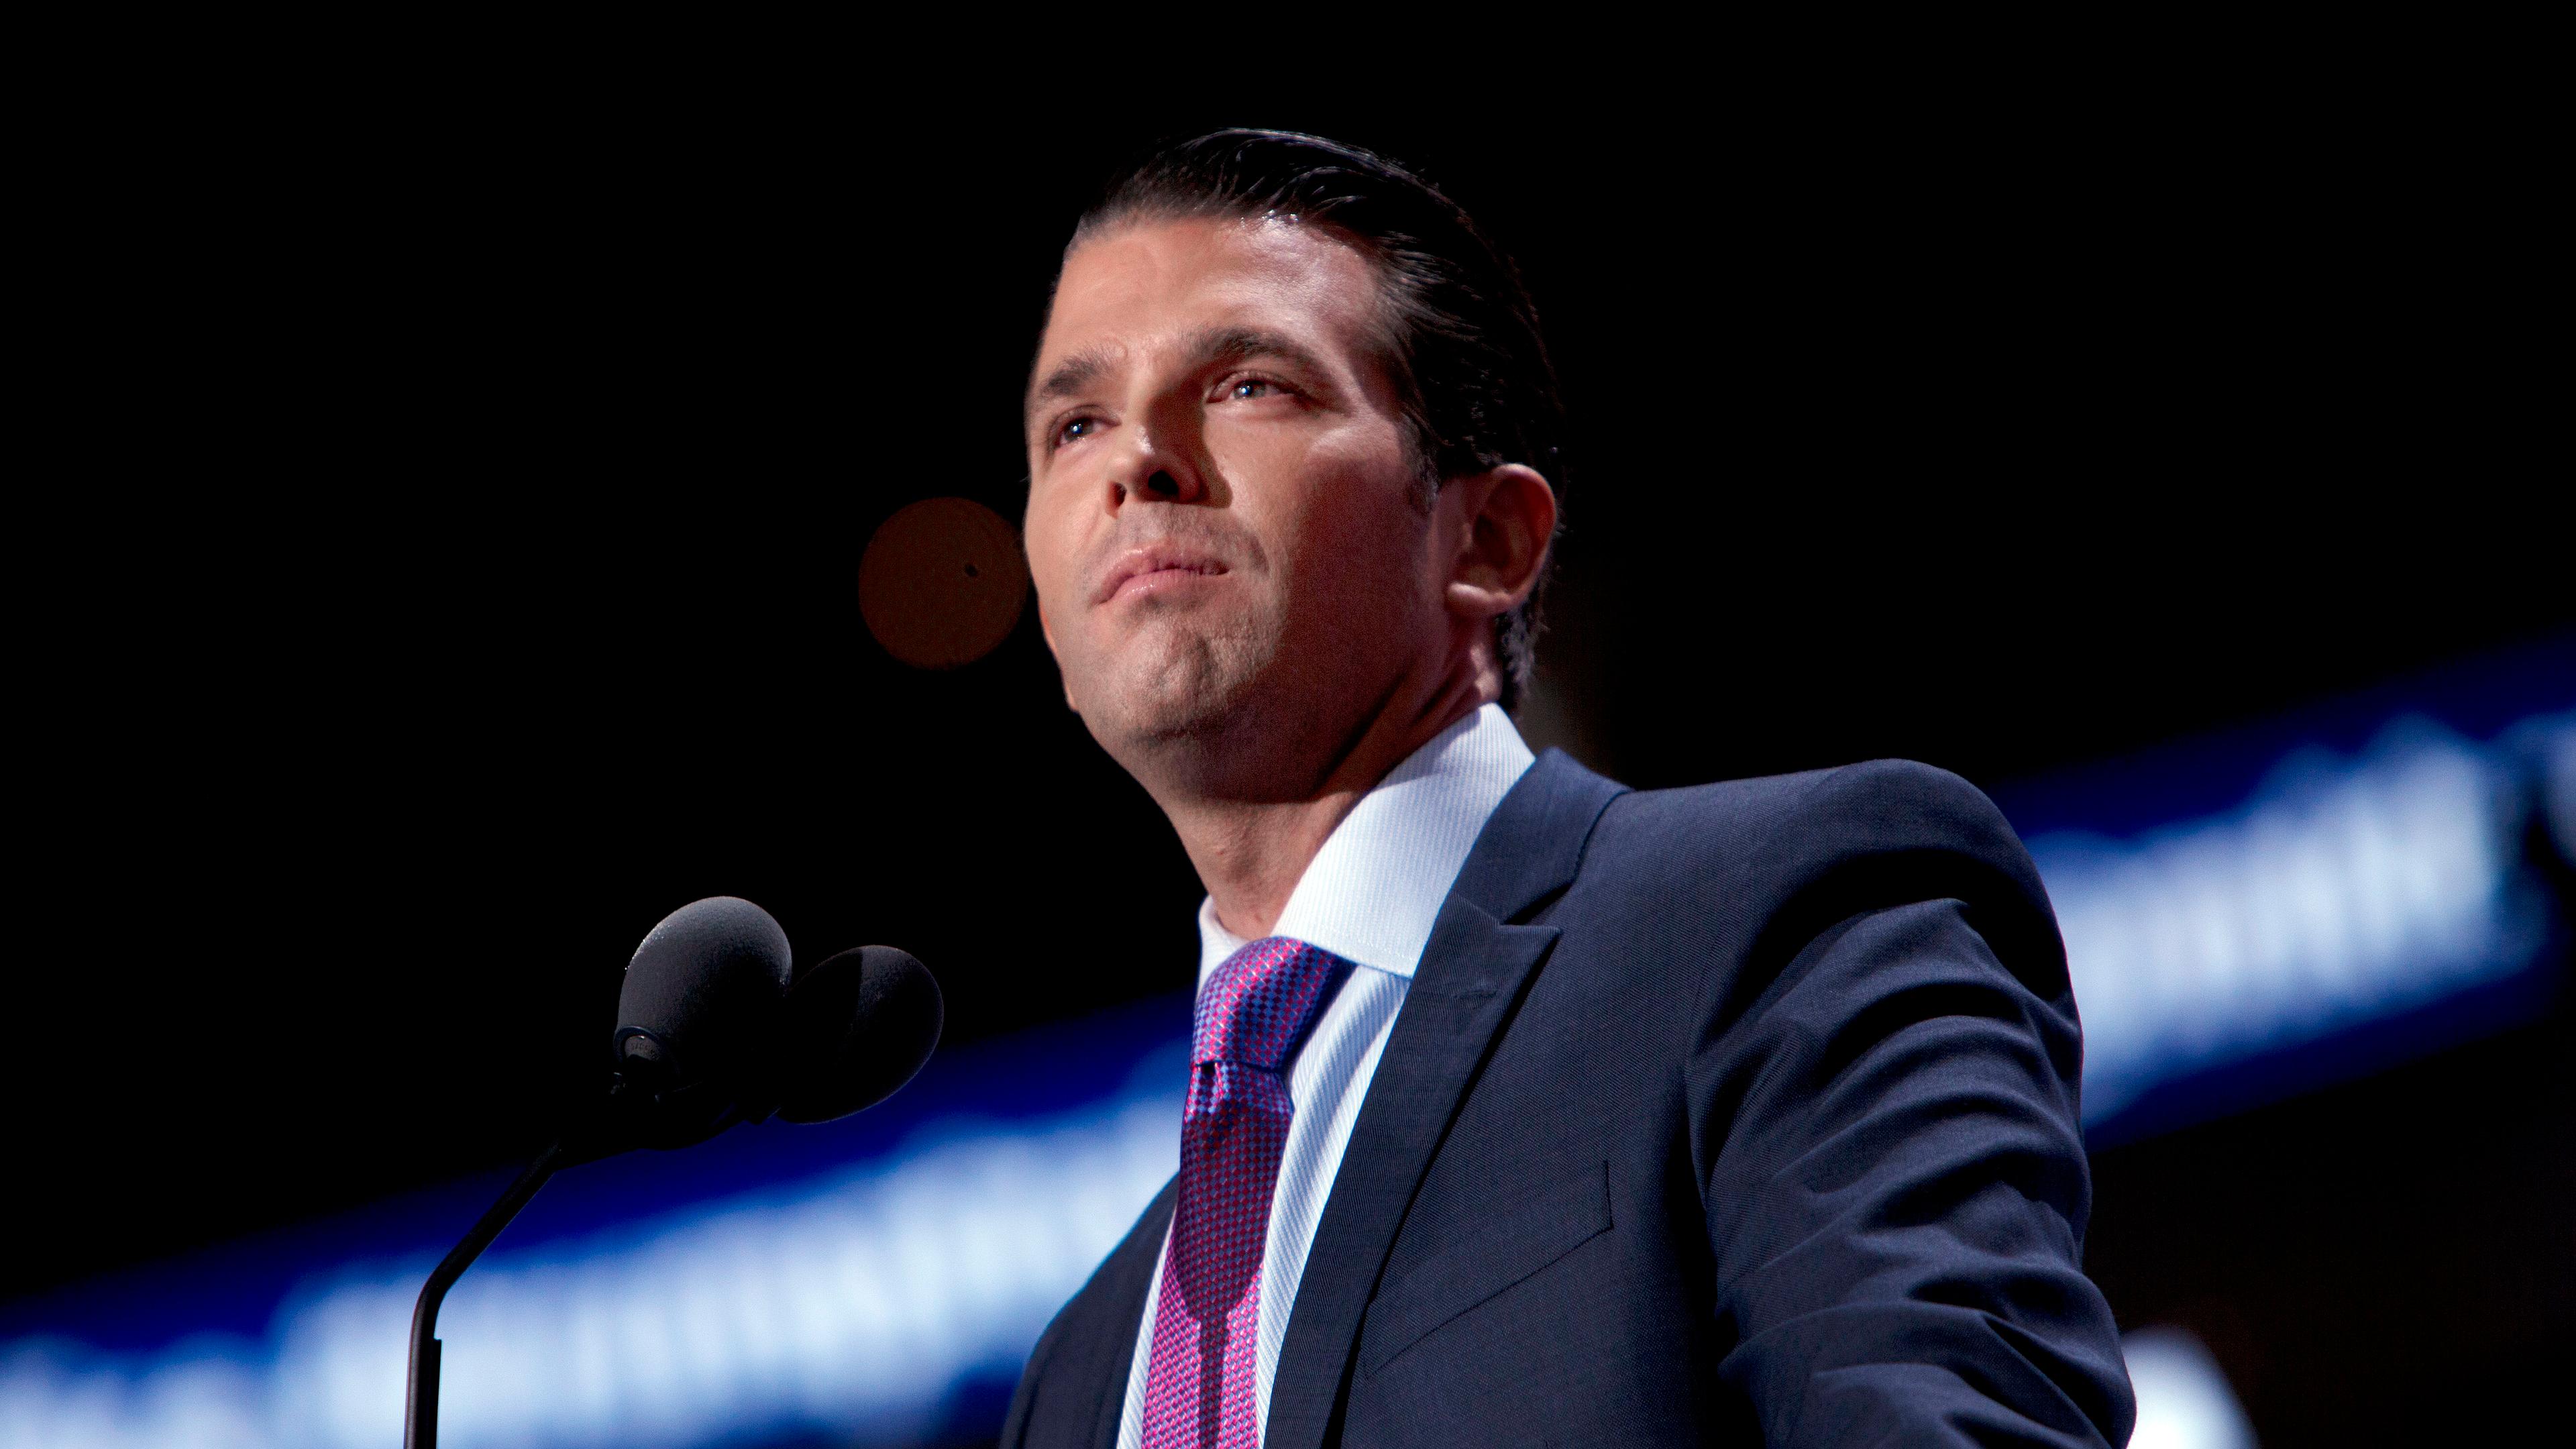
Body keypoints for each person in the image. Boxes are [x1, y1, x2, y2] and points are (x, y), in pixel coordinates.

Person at [1001, 129, 2132, 1448]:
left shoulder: (1781, 922)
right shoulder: (1078, 1377)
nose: (1137, 459)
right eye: (1075, 425)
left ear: (1486, 538)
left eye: (1250, 384)